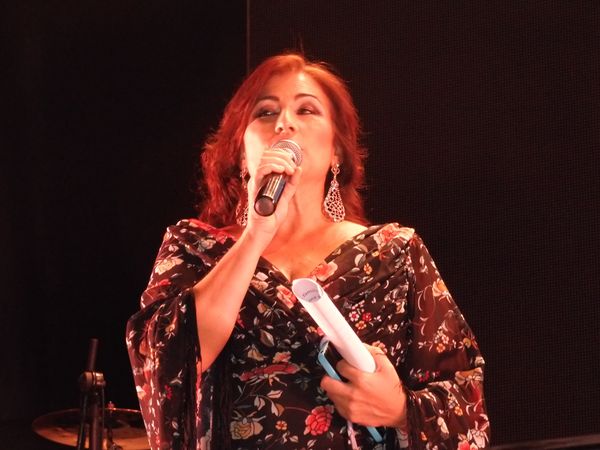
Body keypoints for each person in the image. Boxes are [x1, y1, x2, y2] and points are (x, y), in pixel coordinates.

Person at [126, 53, 490, 450]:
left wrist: (400, 409)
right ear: (242, 154)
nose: (284, 122)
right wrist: (256, 234)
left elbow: (464, 397)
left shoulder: (393, 253)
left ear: (337, 152)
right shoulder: (195, 248)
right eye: (265, 112)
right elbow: (165, 364)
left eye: (306, 109)